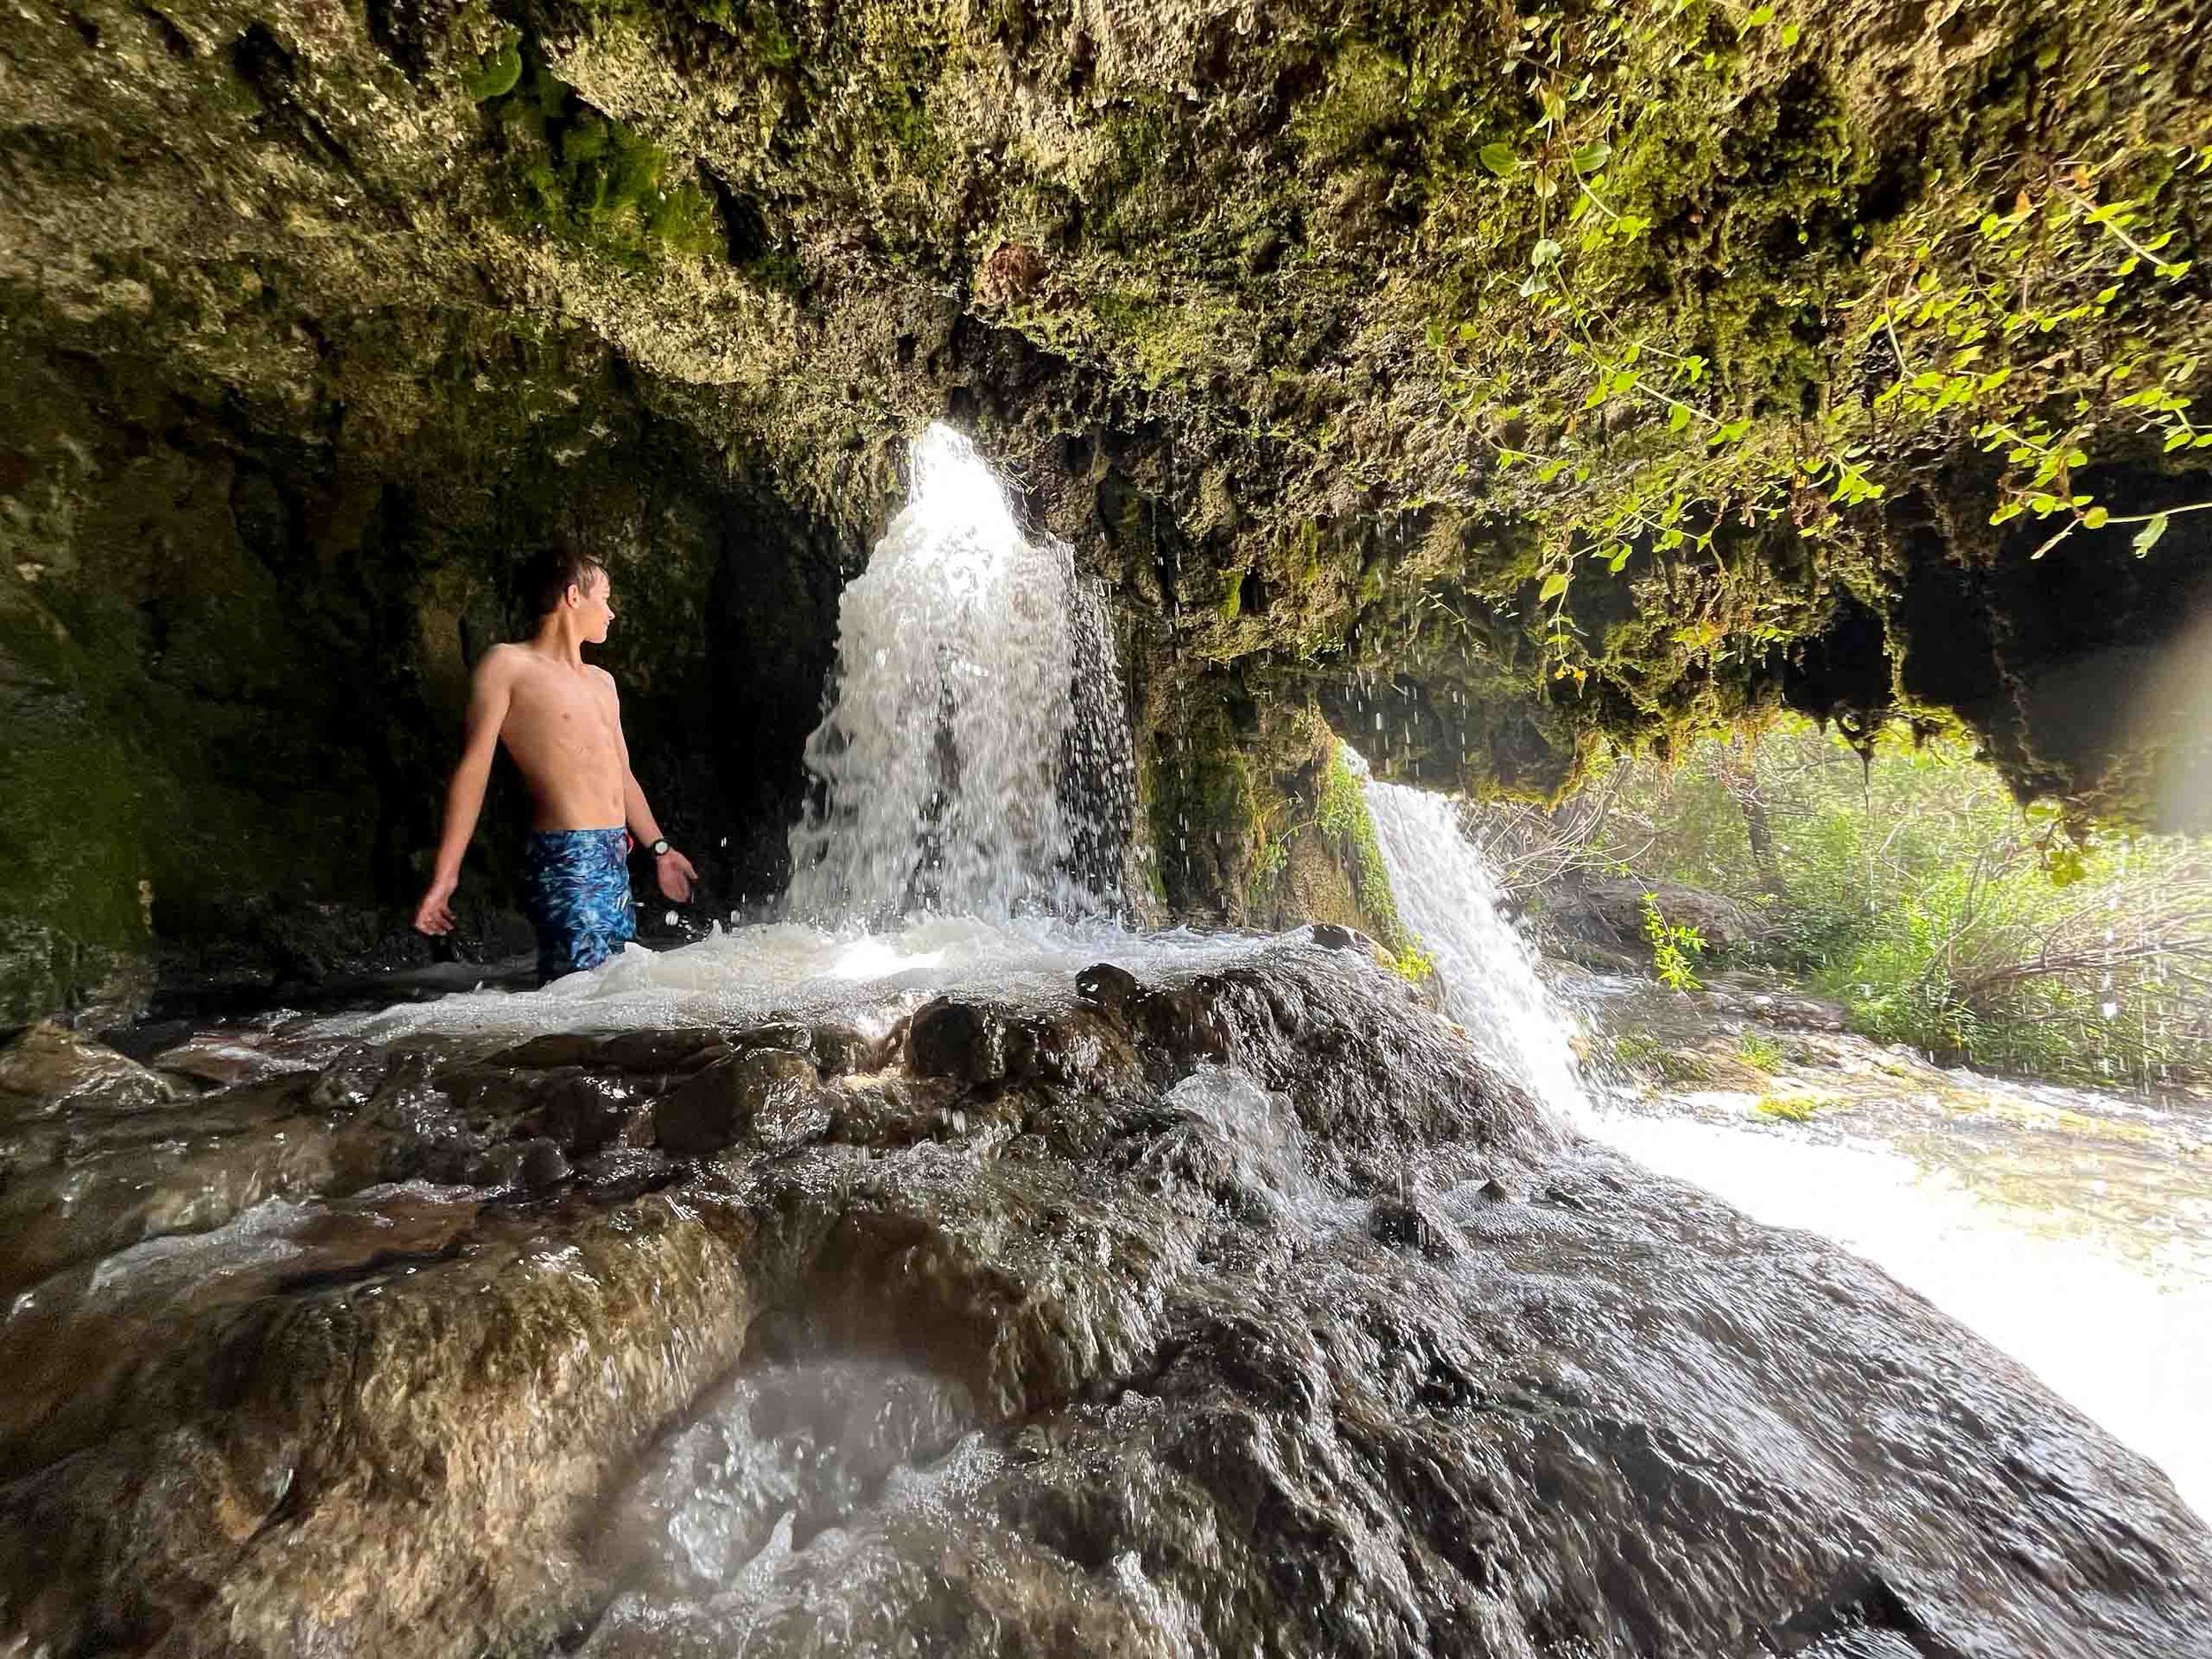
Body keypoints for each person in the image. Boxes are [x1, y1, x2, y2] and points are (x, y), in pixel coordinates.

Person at [412, 547, 698, 982]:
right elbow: (473, 772)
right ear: (573, 596)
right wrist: (445, 875)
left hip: (613, 855)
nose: (611, 612)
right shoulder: (508, 665)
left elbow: (622, 776)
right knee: (583, 994)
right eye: (604, 598)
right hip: (566, 855)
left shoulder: (603, 683)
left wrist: (660, 849)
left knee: (614, 991)